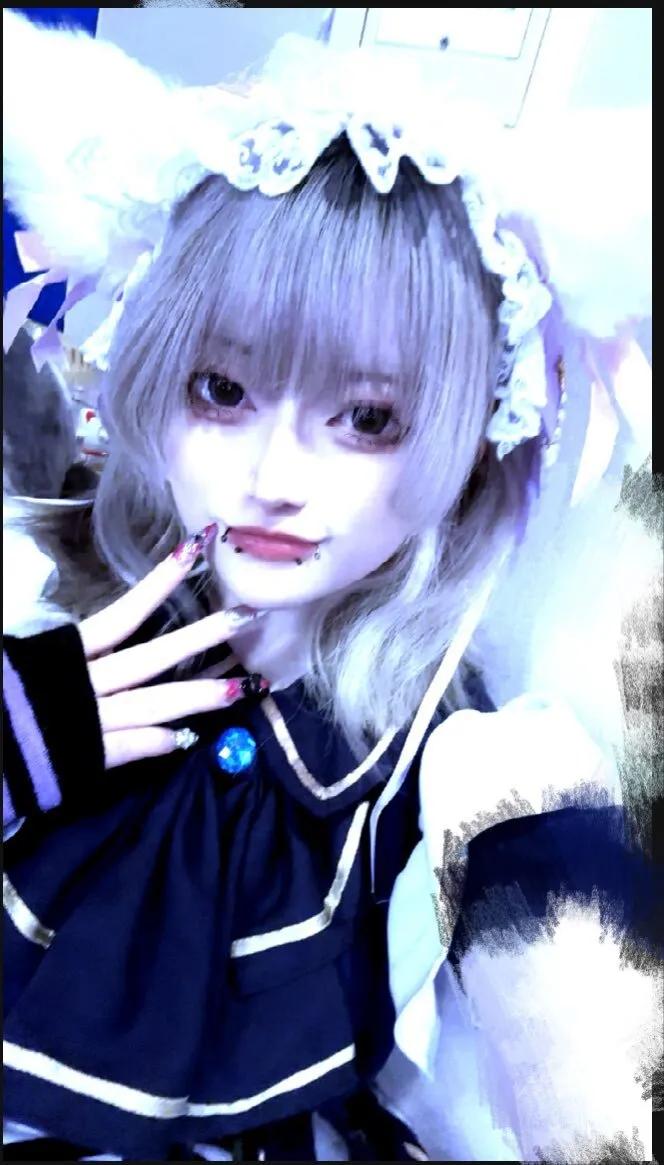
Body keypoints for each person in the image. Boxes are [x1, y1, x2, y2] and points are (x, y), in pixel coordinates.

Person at [2, 10, 657, 1162]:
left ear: (468, 440)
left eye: (366, 418)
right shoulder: (55, 611)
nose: (274, 478)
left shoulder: (470, 768)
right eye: (221, 391)